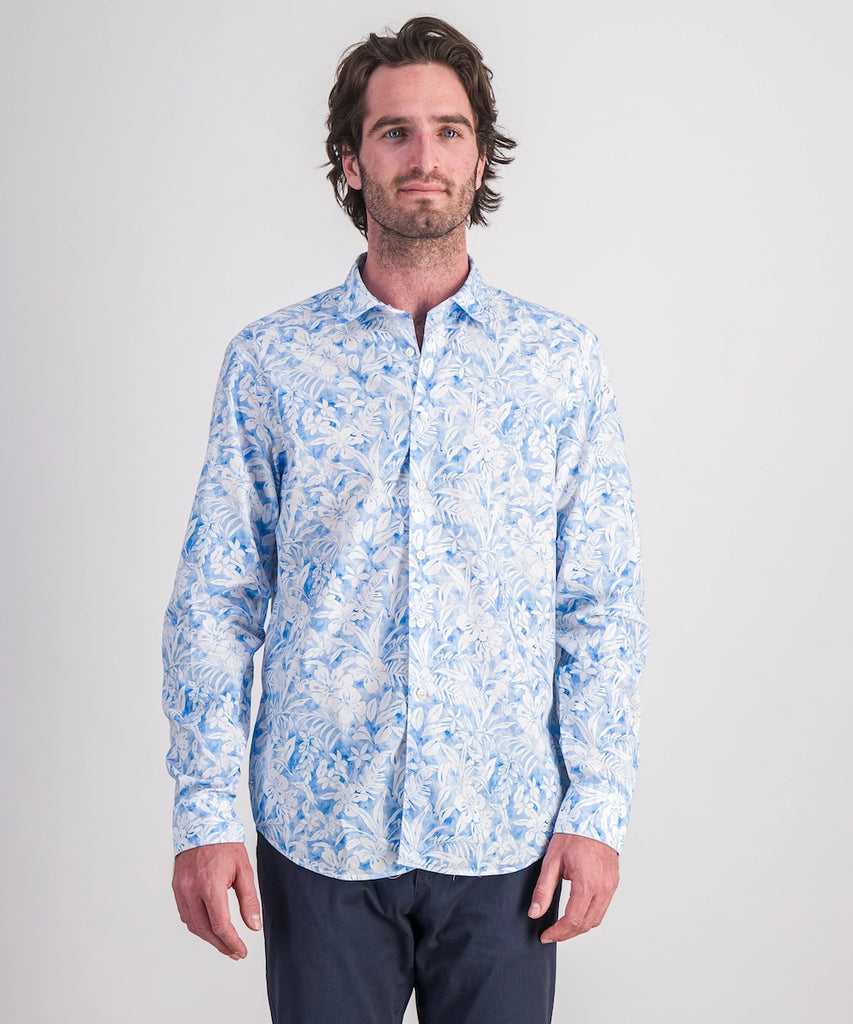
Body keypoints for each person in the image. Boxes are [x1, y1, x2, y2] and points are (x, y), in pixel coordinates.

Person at [164, 16, 648, 1024]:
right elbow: (217, 596)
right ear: (351, 162)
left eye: (448, 130)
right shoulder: (271, 361)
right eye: (394, 131)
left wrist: (597, 810)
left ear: (480, 157)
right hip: (320, 835)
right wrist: (203, 814)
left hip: (506, 837)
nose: (423, 156)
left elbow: (600, 603)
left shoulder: (559, 363)